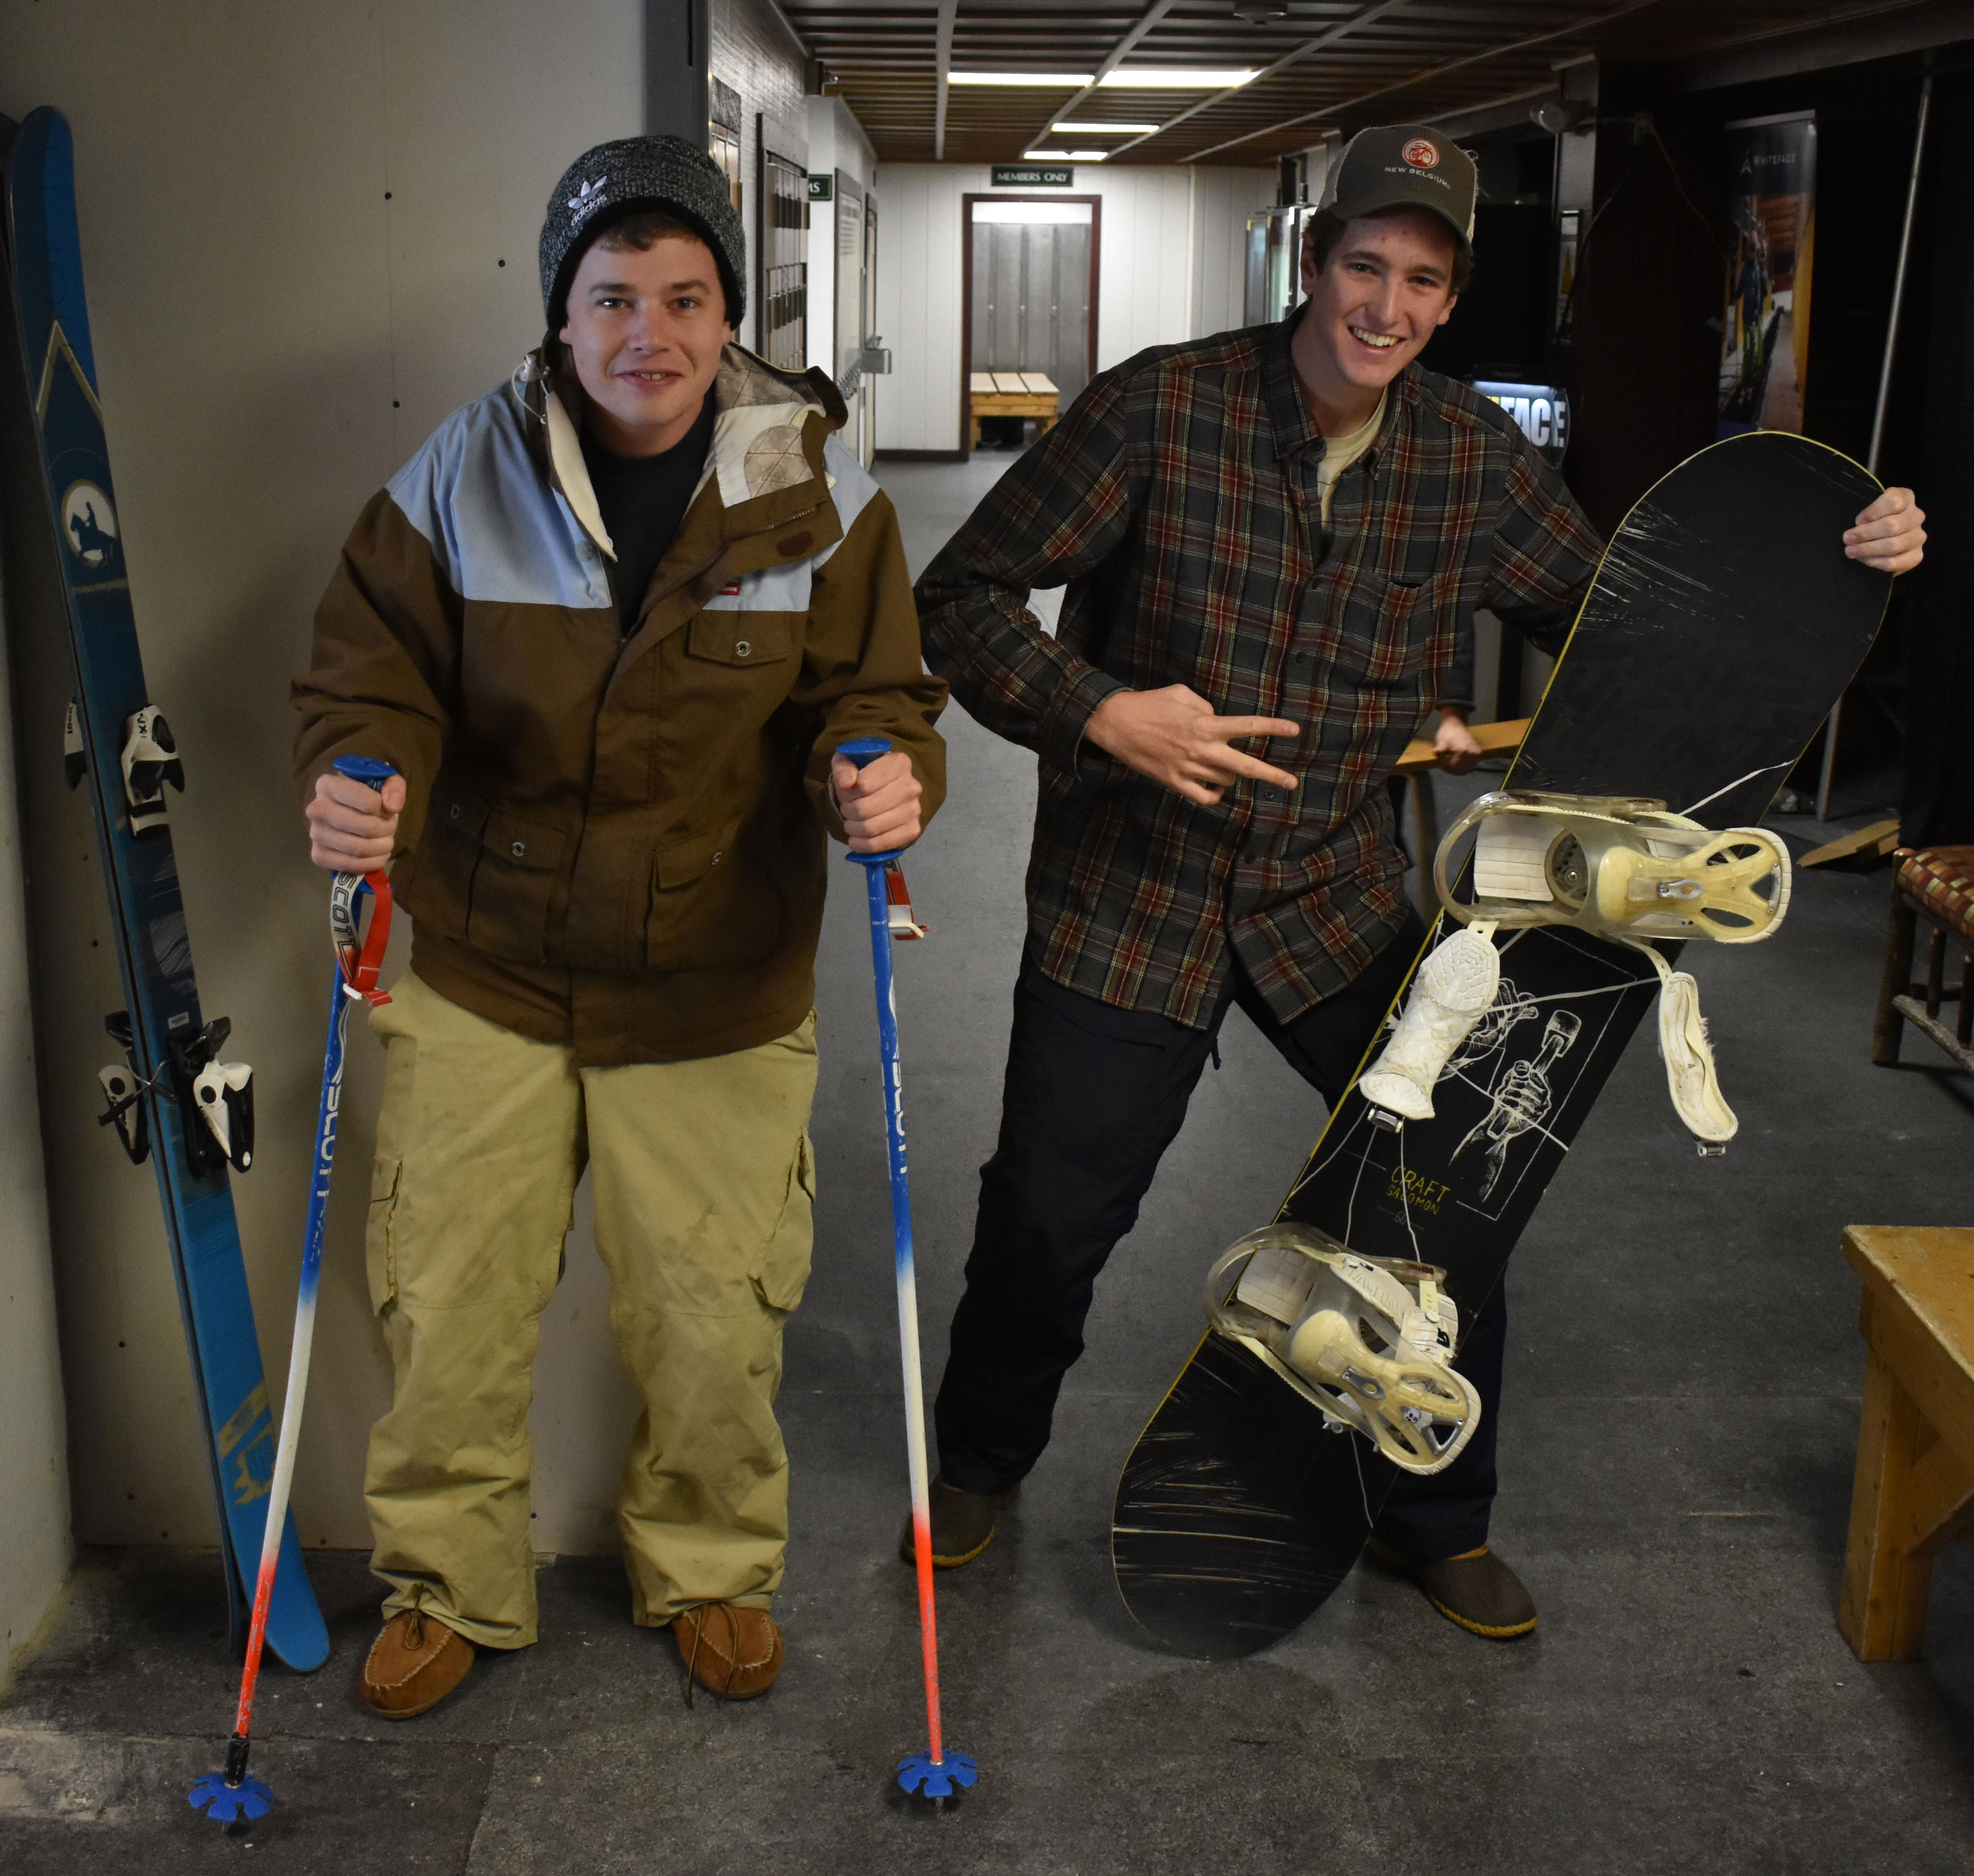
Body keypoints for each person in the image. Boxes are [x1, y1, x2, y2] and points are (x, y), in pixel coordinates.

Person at [912, 122, 1926, 1638]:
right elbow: (962, 594)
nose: (1383, 306)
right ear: (1315, 264)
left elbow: (1629, 628)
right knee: (1051, 1213)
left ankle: (1431, 1511)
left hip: (1333, 897)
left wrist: (1841, 561)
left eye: (1422, 281)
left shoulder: (1467, 454)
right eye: (1364, 268)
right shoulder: (1158, 410)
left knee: (1448, 1206)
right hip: (1135, 891)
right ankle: (983, 1460)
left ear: (1449, 303)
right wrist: (1098, 709)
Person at [292, 134, 945, 1717]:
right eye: (611, 299)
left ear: (730, 314)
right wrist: (356, 770)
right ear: (558, 316)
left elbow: (875, 689)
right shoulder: (460, 468)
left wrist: (884, 767)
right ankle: (447, 1581)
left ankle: (713, 1569)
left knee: (715, 1317)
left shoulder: (816, 489)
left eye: (682, 297)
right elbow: (368, 670)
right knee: (446, 1302)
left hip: (717, 981)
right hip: (487, 967)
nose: (645, 333)